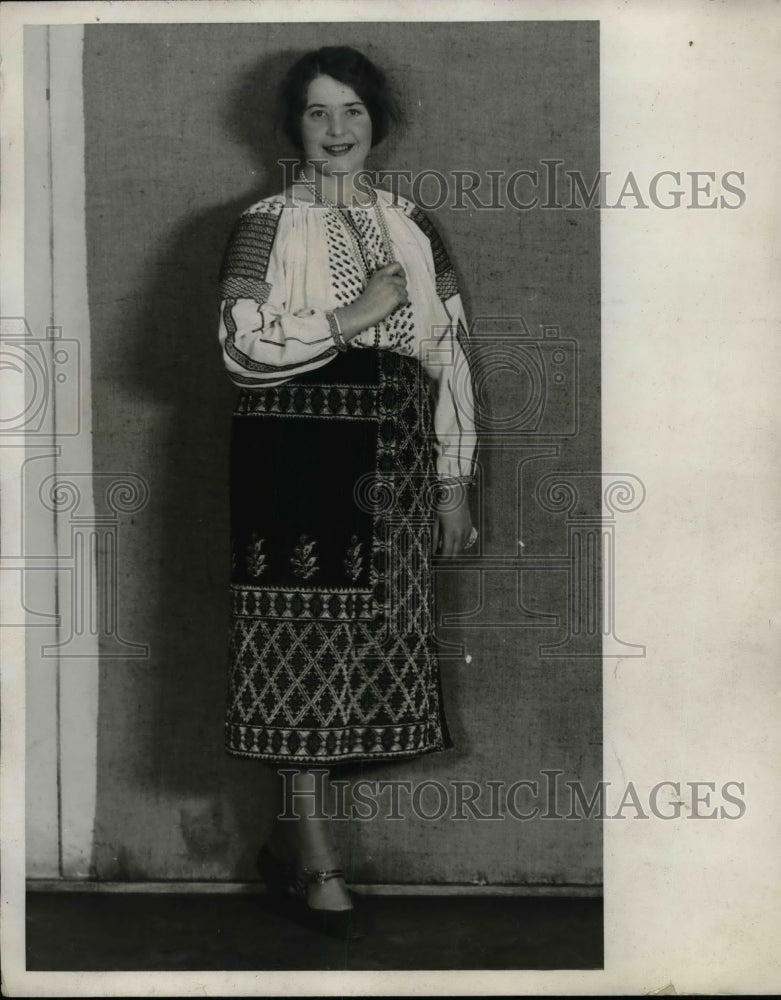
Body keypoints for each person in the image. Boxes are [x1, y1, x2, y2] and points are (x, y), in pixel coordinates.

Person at [217, 45, 477, 939]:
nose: (336, 131)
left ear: (376, 123)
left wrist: (452, 482)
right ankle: (317, 861)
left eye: (353, 111)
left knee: (366, 657)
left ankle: (289, 847)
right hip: (293, 459)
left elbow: (448, 356)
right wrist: (349, 317)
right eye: (318, 113)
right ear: (292, 127)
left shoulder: (413, 222)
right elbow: (241, 345)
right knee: (301, 656)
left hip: (397, 460)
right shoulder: (264, 222)